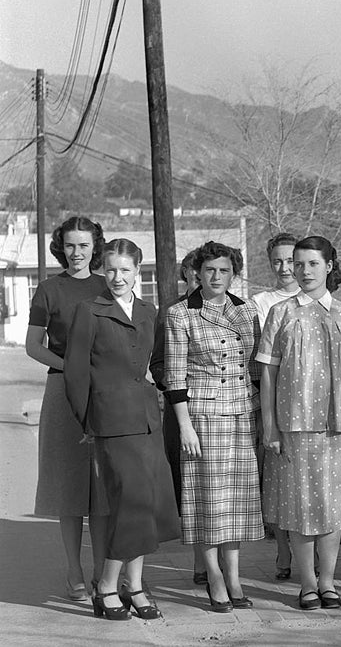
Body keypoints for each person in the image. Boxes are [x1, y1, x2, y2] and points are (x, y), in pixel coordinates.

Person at [64, 238, 179, 620]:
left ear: (137, 271)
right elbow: (76, 374)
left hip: (147, 420)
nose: (117, 277)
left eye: (125, 270)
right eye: (110, 269)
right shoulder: (89, 311)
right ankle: (108, 586)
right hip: (110, 422)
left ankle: (137, 585)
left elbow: (158, 362)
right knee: (129, 502)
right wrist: (88, 421)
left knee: (148, 502)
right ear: (103, 270)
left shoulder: (150, 311)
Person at [256, 236, 341, 610]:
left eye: (312, 264)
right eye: (298, 264)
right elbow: (267, 375)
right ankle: (306, 583)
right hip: (294, 425)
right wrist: (270, 426)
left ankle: (329, 581)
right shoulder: (281, 313)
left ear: (329, 266)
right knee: (299, 507)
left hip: (336, 426)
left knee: (332, 507)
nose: (303, 271)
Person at [163, 241, 264, 611]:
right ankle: (214, 576)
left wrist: (262, 416)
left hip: (242, 414)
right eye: (209, 270)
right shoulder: (181, 314)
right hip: (203, 418)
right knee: (207, 500)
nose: (216, 277)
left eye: (223, 270)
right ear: (197, 273)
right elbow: (174, 377)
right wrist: (184, 426)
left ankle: (234, 576)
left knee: (235, 502)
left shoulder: (247, 309)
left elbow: (255, 367)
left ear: (233, 273)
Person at [28, 216, 109, 602]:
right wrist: (73, 368)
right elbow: (34, 346)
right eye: (71, 245)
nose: (77, 253)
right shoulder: (48, 289)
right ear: (62, 247)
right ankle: (74, 570)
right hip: (62, 391)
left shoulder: (107, 284)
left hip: (105, 391)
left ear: (96, 246)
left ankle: (103, 572)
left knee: (104, 486)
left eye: (84, 245)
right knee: (69, 486)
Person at [149, 248, 205, 584]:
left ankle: (223, 563)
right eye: (194, 273)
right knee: (189, 485)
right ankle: (201, 561)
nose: (201, 279)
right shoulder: (170, 312)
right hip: (180, 409)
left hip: (222, 408)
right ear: (185, 274)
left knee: (221, 485)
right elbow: (157, 362)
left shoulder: (235, 309)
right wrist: (175, 385)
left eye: (208, 272)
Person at [249, 232, 301, 581]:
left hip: (313, 404)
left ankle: (308, 554)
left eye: (290, 261)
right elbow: (259, 359)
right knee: (280, 481)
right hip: (276, 398)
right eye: (277, 261)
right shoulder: (260, 302)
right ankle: (283, 549)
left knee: (308, 481)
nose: (284, 268)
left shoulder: (318, 298)